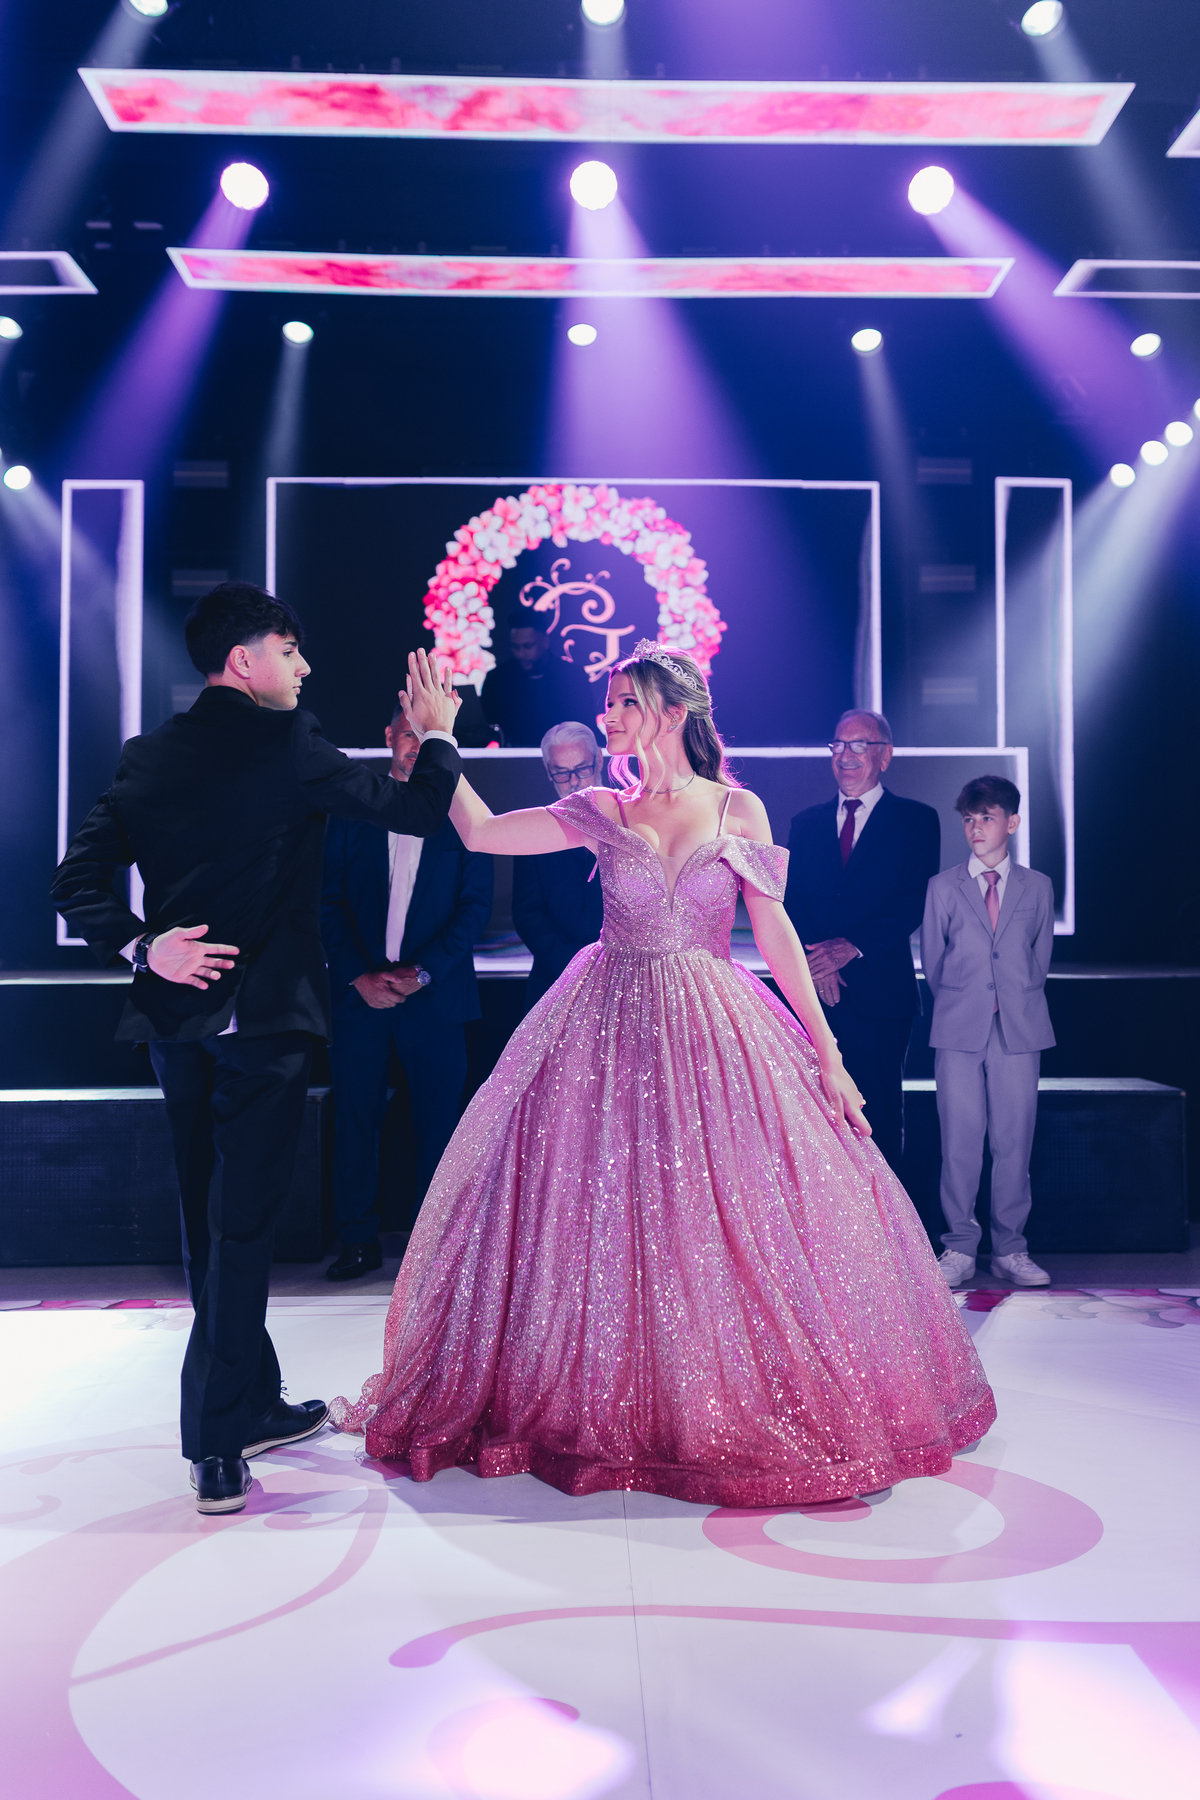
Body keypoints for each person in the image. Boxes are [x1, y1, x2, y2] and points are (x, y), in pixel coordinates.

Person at [331, 641, 994, 1505]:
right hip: (605, 1028)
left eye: (624, 703)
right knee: (601, 1214)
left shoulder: (739, 808)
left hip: (716, 1025)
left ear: (674, 713)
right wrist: (439, 738)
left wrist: (828, 1055)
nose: (608, 716)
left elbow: (775, 930)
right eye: (607, 702)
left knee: (727, 1213)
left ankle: (710, 1398)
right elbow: (483, 832)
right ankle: (613, 1399)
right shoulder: (602, 807)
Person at [50, 582, 462, 1515]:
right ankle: (214, 1444)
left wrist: (143, 946)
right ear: (245, 661)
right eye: (290, 649)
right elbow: (417, 812)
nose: (304, 667)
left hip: (177, 1023)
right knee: (238, 1230)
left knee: (213, 1223)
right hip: (263, 1024)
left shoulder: (148, 753)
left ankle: (254, 1402)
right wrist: (437, 733)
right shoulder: (290, 740)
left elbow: (75, 882)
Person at [320, 703, 493, 1280]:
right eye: (407, 734)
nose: (416, 746)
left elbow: (475, 909)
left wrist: (424, 973)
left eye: (427, 736)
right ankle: (357, 1242)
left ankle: (433, 1253)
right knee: (355, 1123)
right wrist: (358, 976)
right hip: (360, 997)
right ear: (388, 736)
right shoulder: (353, 809)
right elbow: (328, 902)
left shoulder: (463, 814)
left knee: (440, 1126)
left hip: (436, 998)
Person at [783, 712, 940, 1174]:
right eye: (838, 745)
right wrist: (821, 964)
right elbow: (789, 900)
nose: (845, 755)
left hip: (882, 996)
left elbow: (914, 900)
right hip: (814, 994)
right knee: (815, 1120)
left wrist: (849, 948)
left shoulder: (916, 820)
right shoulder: (805, 823)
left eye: (858, 745)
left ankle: (889, 1221)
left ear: (884, 756)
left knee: (880, 1120)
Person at [921, 775, 1056, 1289]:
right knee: (960, 1141)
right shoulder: (943, 887)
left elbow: (1038, 959)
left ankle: (1010, 1249)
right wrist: (968, 1001)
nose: (976, 828)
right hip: (958, 1028)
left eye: (987, 817)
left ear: (1012, 823)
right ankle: (959, 1246)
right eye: (969, 819)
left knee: (1013, 1142)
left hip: (1019, 1028)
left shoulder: (1037, 886)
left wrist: (1010, 997)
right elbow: (935, 962)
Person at [511, 721, 605, 1010]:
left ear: (599, 760)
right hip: (553, 984)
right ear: (547, 770)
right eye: (561, 773)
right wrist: (577, 967)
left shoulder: (634, 822)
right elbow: (527, 914)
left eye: (582, 769)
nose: (574, 781)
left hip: (625, 979)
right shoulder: (534, 829)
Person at [479, 615, 595, 747]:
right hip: (513, 756)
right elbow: (484, 728)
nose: (521, 654)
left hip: (565, 753)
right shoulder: (497, 678)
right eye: (515, 647)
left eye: (528, 646)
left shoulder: (573, 676)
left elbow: (587, 727)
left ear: (545, 642)